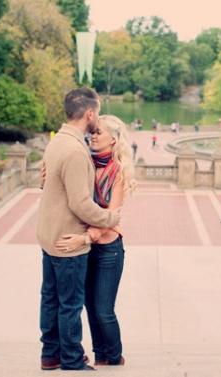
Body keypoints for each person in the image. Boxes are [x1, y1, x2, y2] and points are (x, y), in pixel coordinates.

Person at [36, 88, 119, 371]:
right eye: (98, 112)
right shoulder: (74, 149)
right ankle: (71, 360)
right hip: (68, 240)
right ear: (90, 113)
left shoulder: (57, 141)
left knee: (50, 298)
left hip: (49, 237)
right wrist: (111, 218)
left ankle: (50, 353)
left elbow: (51, 182)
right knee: (70, 304)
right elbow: (81, 204)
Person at [47, 115, 136, 366]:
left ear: (114, 139)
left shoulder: (118, 172)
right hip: (84, 248)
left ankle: (115, 358)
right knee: (88, 308)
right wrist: (44, 178)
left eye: (99, 132)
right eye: (92, 132)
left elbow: (111, 216)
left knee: (104, 310)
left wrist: (86, 236)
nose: (93, 136)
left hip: (108, 248)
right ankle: (100, 358)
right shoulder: (82, 160)